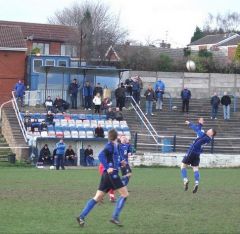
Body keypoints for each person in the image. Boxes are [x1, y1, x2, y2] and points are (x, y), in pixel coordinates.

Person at [76, 129, 129, 227]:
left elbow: (113, 158)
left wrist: (120, 162)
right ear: (116, 136)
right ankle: (115, 217)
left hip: (106, 176)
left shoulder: (114, 146)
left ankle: (81, 217)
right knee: (125, 195)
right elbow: (100, 156)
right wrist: (108, 167)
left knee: (97, 198)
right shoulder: (110, 145)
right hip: (112, 174)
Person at [181, 121, 216, 193]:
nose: (208, 130)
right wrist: (200, 124)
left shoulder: (204, 136)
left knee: (183, 166)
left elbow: (197, 130)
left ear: (211, 133)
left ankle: (185, 180)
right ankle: (196, 183)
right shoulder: (208, 139)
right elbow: (199, 131)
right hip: (197, 154)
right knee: (195, 168)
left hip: (191, 151)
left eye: (209, 130)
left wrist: (189, 123)